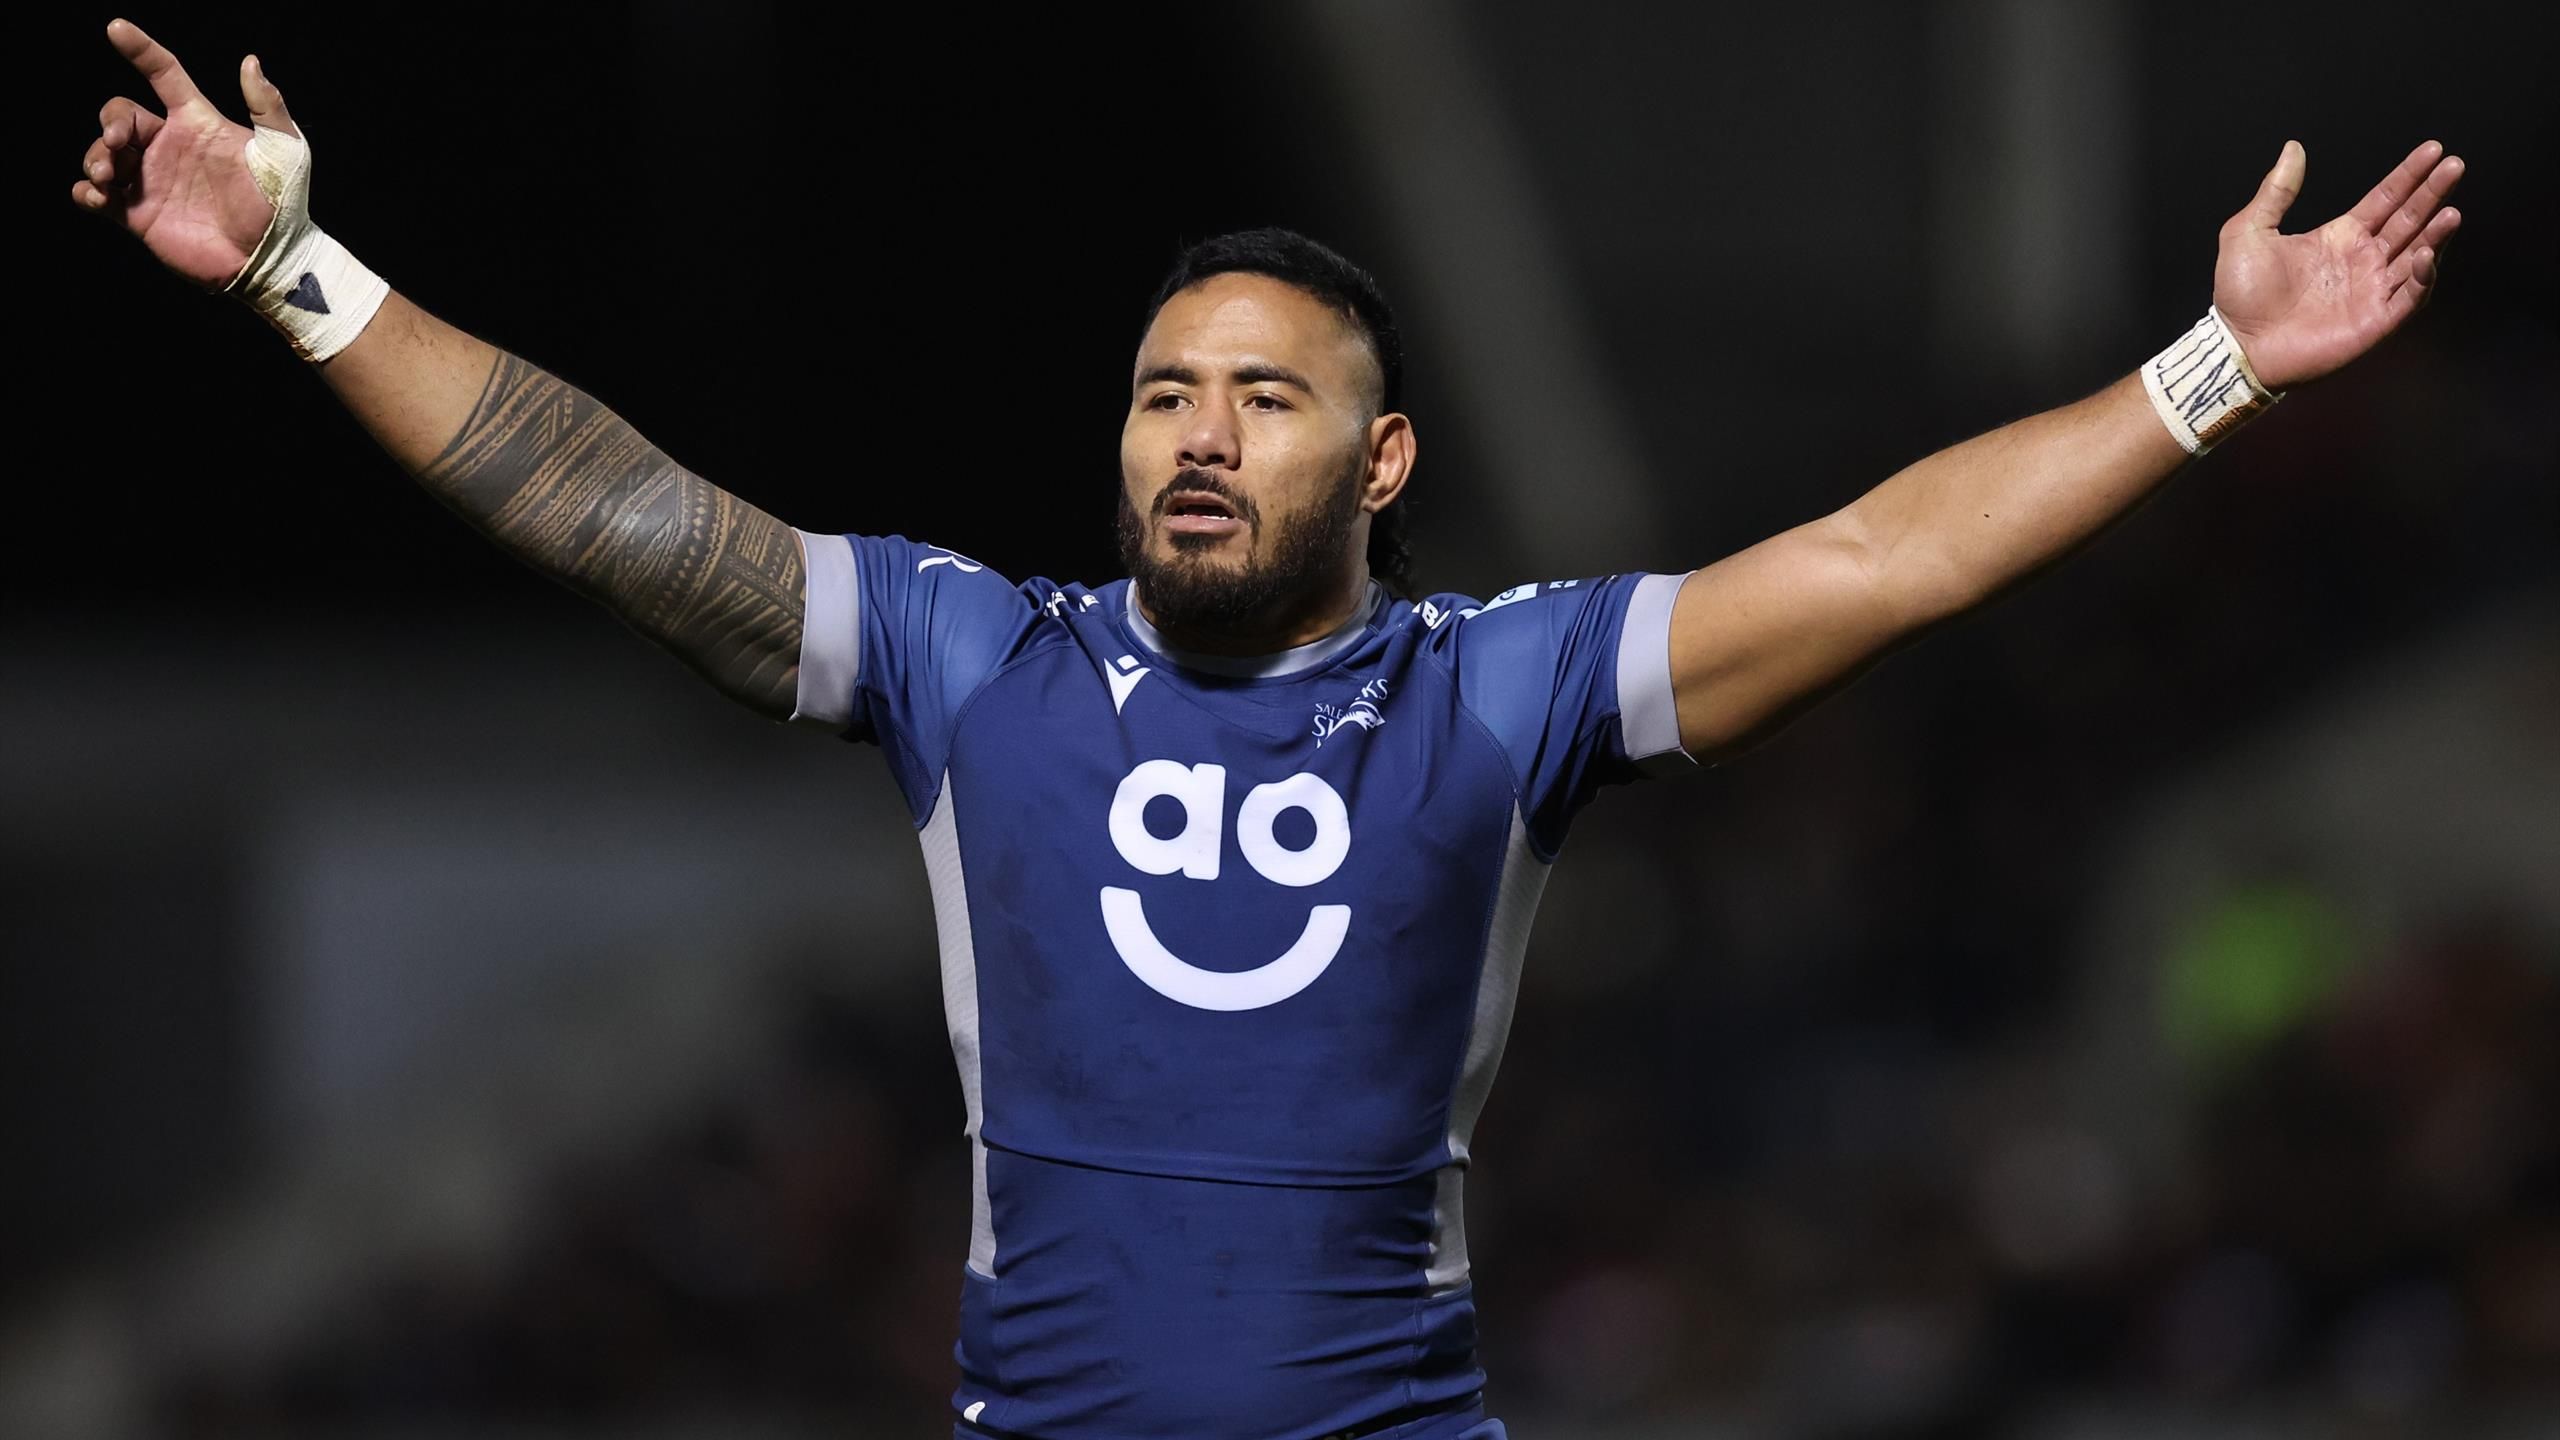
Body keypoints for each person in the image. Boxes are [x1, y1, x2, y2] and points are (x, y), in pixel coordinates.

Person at [70, 16, 2466, 1440]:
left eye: (1262, 398)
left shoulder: (1500, 692)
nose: (1196, 439)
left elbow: (1880, 556)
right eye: (1158, 396)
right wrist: (296, 268)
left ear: (1382, 460)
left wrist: (2213, 366)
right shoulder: (969, 664)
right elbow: (613, 508)